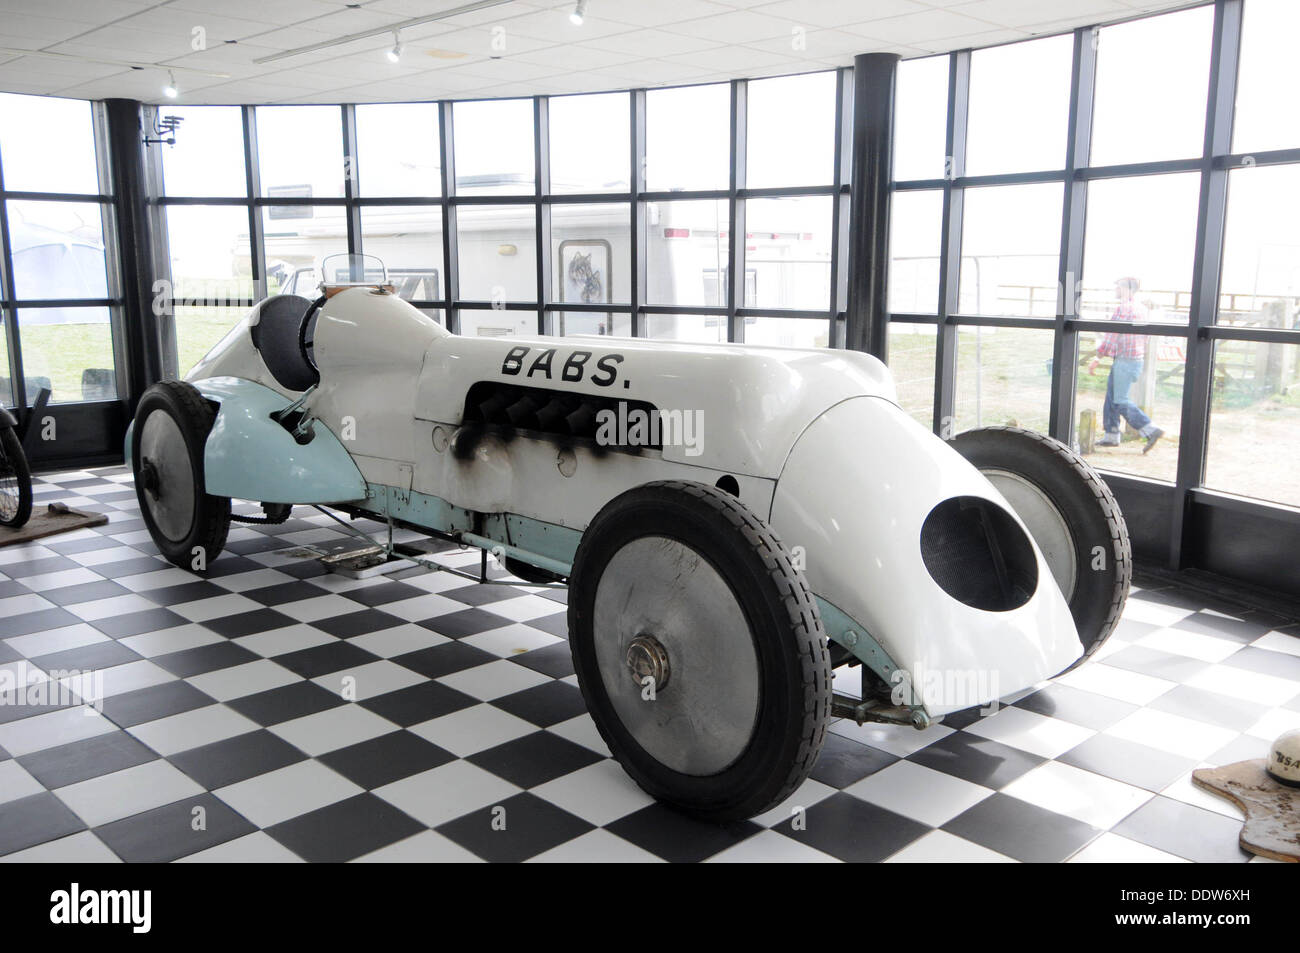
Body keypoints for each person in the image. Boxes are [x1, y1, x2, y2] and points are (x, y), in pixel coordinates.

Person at [1088, 276, 1164, 453]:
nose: (1115, 290)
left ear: (1126, 289)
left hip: (1125, 361)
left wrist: (1097, 358)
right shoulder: (1142, 309)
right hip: (1134, 360)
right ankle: (1111, 436)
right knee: (1112, 397)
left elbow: (1112, 336)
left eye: (1118, 287)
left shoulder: (1124, 309)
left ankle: (1151, 429)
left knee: (1120, 400)